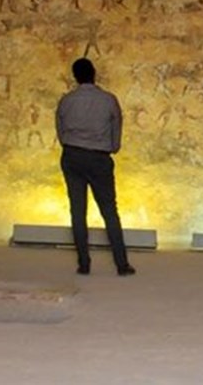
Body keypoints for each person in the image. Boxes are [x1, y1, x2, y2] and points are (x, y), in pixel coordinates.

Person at [55, 58, 135, 276]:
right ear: (94, 74)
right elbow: (116, 134)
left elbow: (61, 133)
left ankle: (83, 263)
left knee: (77, 211)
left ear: (75, 76)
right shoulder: (108, 100)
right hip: (99, 157)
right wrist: (109, 147)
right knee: (109, 211)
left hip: (72, 155)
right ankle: (121, 263)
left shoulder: (67, 100)